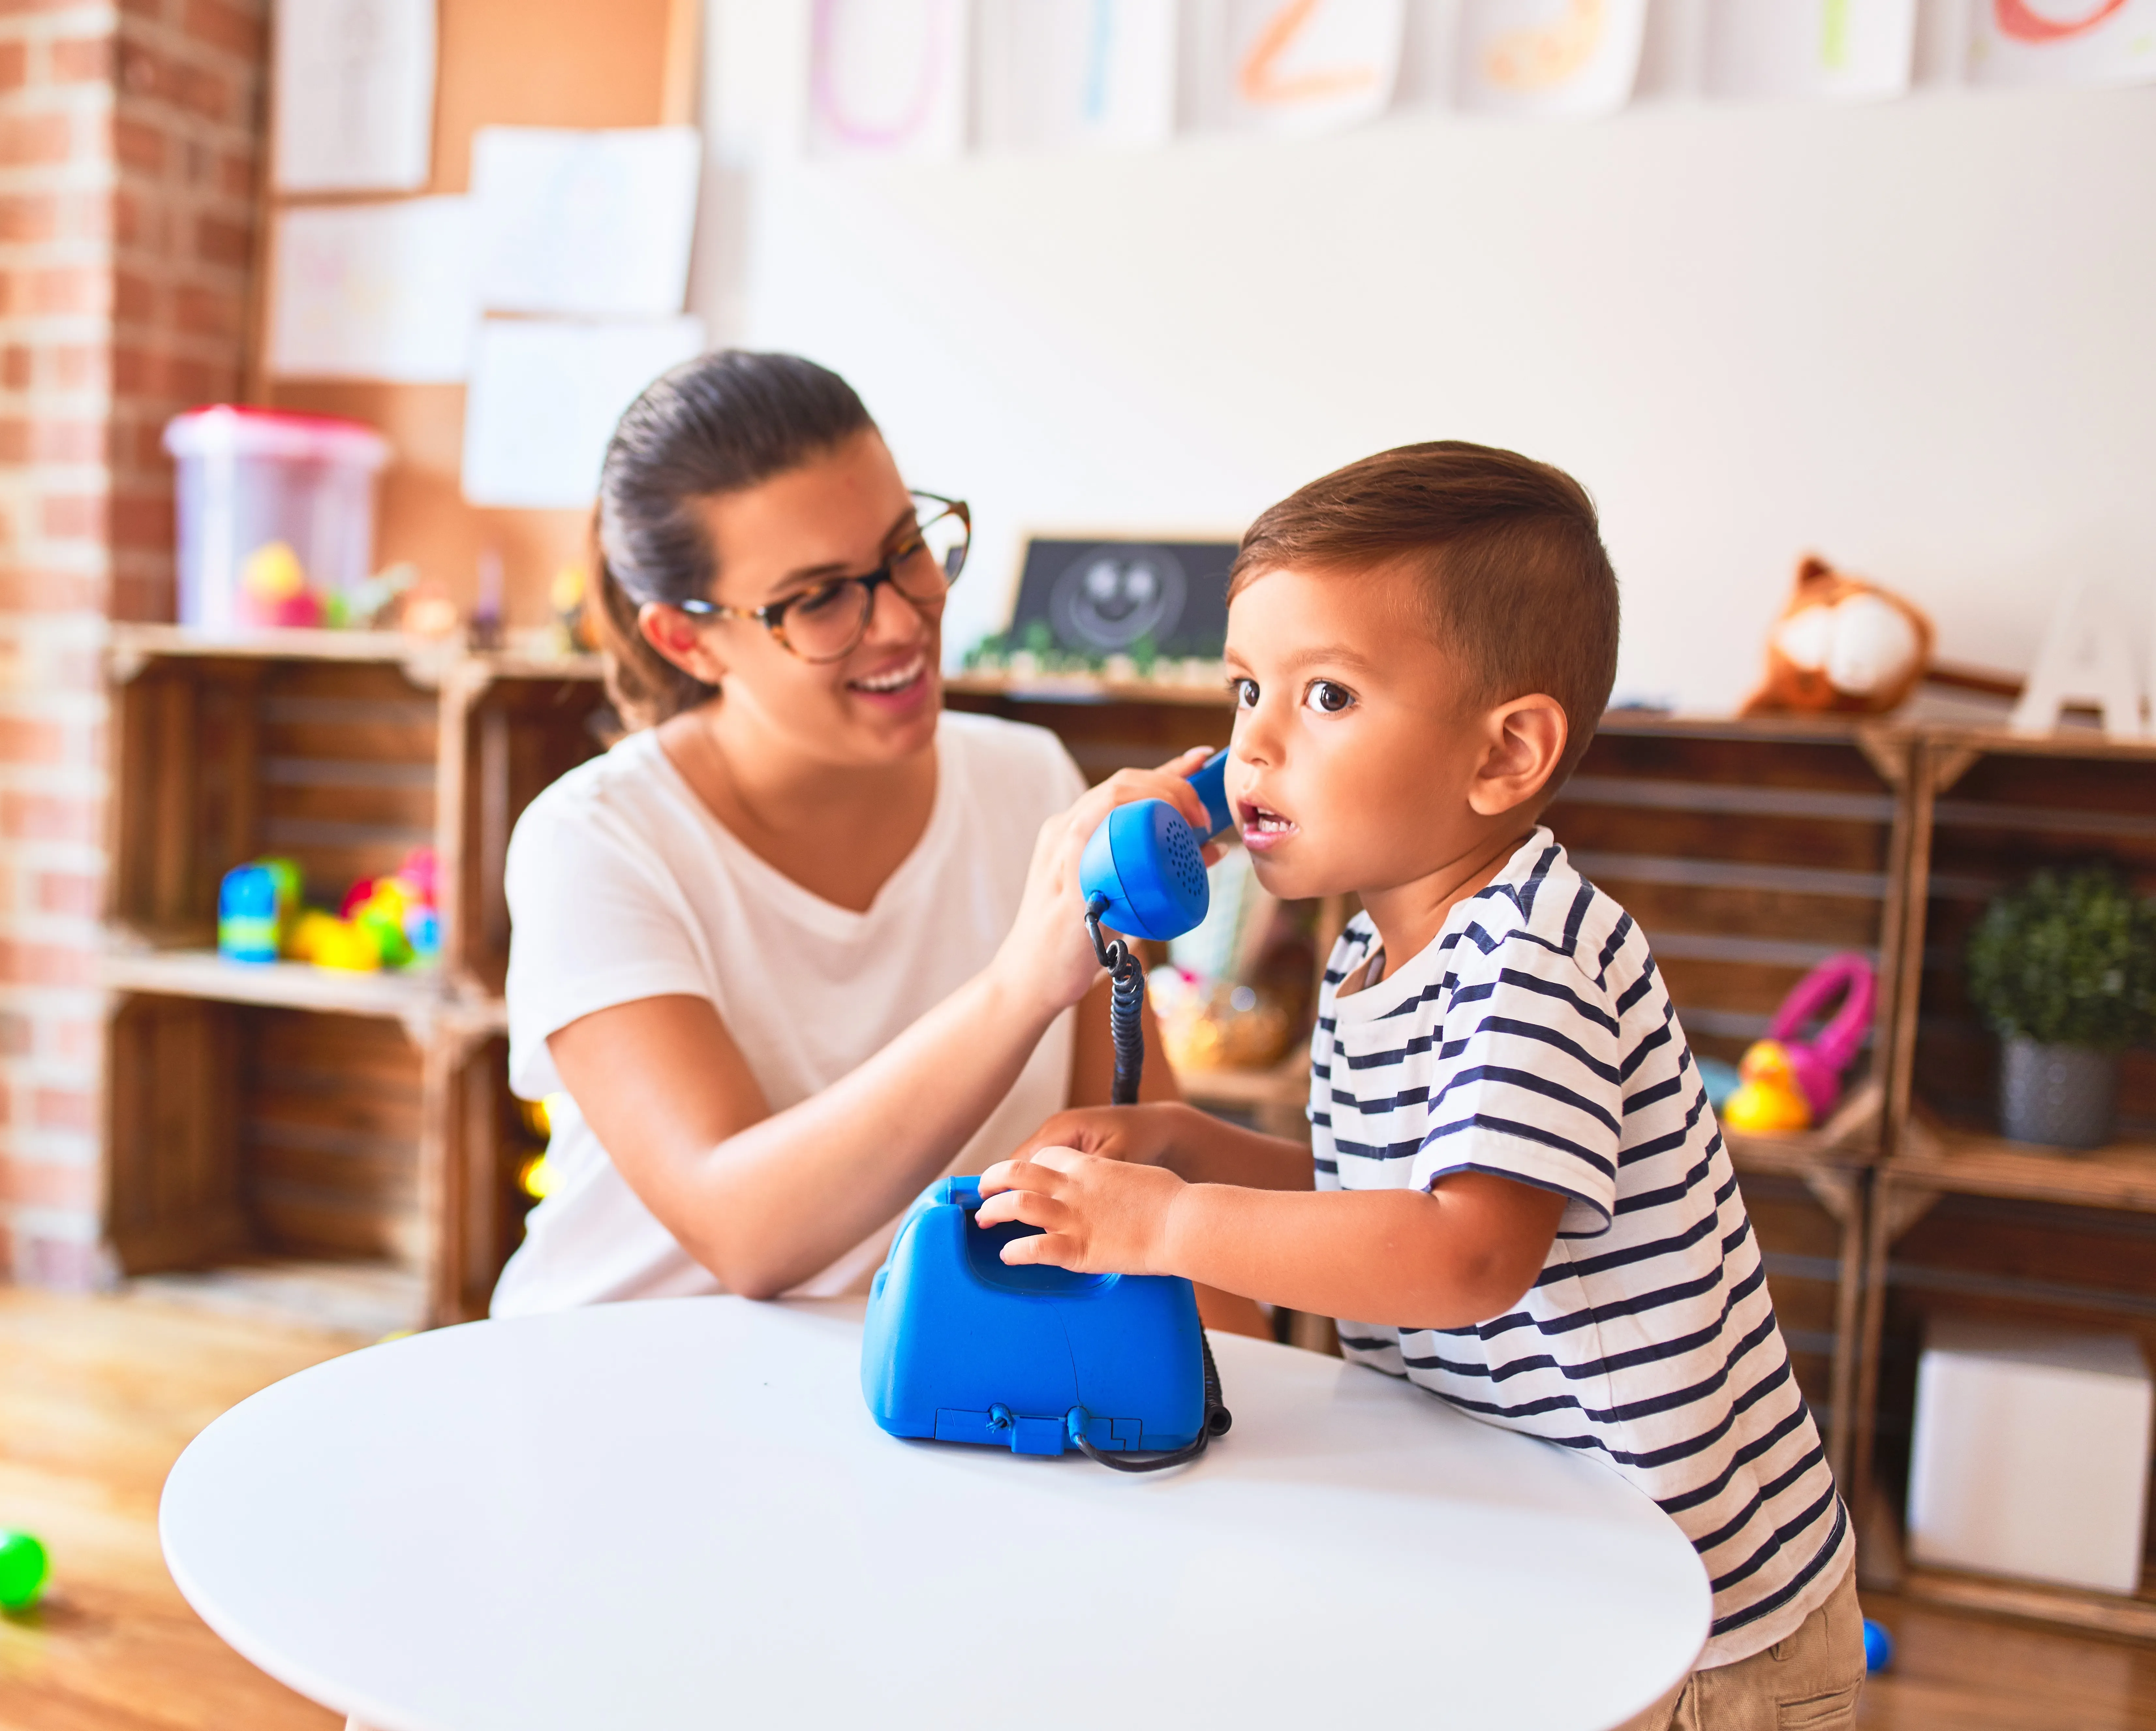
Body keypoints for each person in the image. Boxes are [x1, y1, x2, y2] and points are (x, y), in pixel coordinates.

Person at [977, 444, 1862, 1730]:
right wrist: (1188, 1148)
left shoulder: (1528, 964)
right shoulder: (1370, 947)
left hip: (1698, 1627)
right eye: (1243, 691)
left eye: (1324, 696)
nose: (1251, 749)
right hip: (1552, 1550)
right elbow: (1378, 1207)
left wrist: (1159, 1226)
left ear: (1504, 755)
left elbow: (1461, 1256)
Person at [490, 350, 1238, 1320]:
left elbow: (1141, 1157)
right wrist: (1022, 983)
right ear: (687, 639)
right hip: (634, 1384)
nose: (899, 621)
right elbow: (743, 1231)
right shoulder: (595, 841)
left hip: (943, 1392)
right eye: (819, 598)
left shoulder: (1028, 783)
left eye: (905, 550)